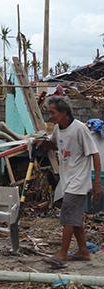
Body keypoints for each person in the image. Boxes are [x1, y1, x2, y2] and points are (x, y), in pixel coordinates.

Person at [37, 96, 102, 267]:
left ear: (64, 112)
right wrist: (41, 143)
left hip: (79, 181)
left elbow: (95, 154)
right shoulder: (59, 128)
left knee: (67, 217)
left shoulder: (79, 129)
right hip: (67, 179)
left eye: (52, 112)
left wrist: (96, 183)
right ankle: (83, 251)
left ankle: (62, 254)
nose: (50, 116)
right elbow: (55, 145)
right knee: (74, 218)